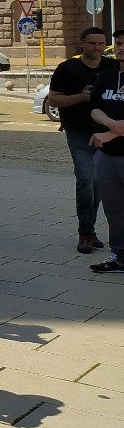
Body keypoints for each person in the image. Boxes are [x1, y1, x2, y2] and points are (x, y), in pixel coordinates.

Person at [49, 27, 113, 254]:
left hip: (107, 134)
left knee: (97, 182)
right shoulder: (68, 68)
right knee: (86, 179)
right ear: (82, 43)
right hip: (78, 132)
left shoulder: (112, 67)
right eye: (92, 43)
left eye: (101, 44)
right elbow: (54, 100)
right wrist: (81, 97)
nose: (96, 48)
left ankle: (91, 230)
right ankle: (85, 232)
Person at [88, 63, 124, 273]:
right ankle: (119, 256)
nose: (121, 47)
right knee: (114, 211)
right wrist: (111, 124)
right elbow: (94, 107)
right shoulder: (106, 77)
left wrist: (109, 133)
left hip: (108, 142)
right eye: (119, 43)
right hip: (107, 157)